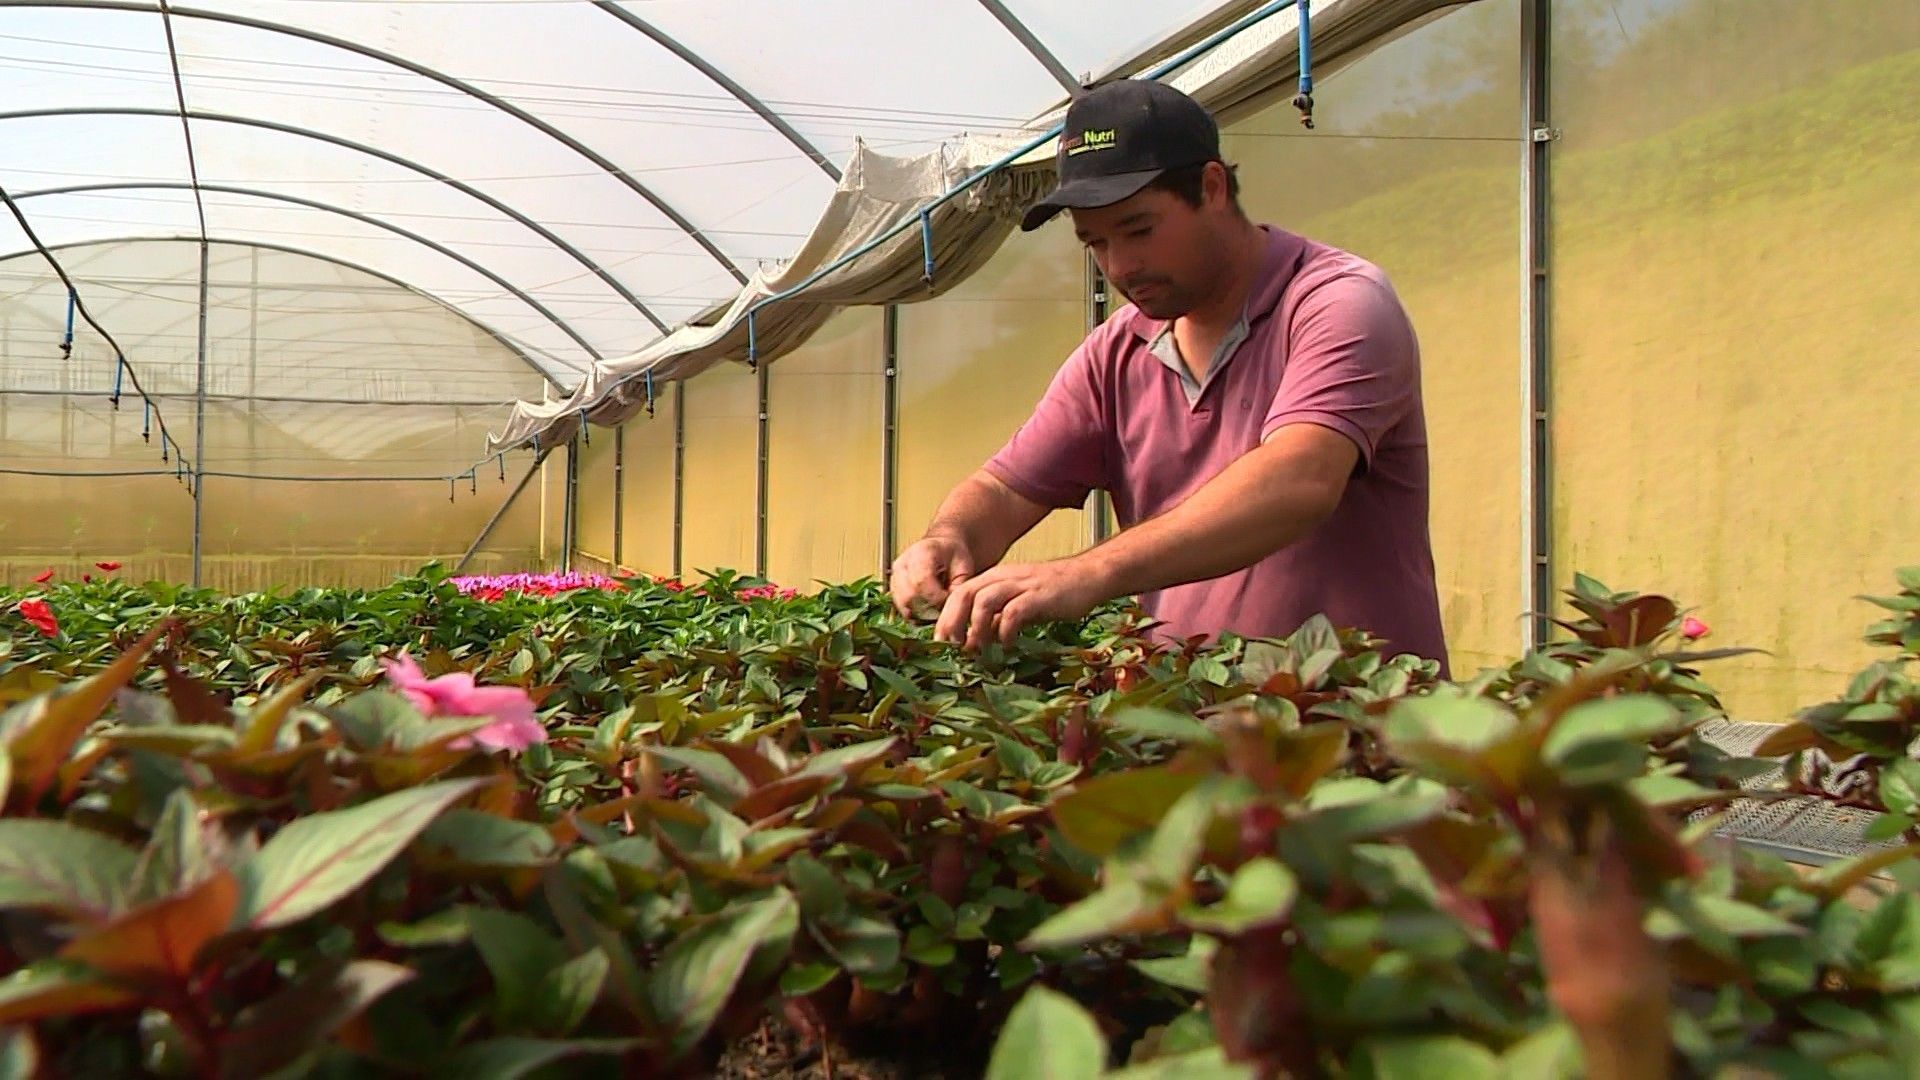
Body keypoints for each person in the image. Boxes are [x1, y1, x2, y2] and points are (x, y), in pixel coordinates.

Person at [888, 79, 1449, 676]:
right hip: (1189, 730)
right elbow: (1003, 489)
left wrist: (1090, 571)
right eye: (1094, 243)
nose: (1120, 266)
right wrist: (950, 538)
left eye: (1139, 229)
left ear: (1211, 188)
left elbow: (1300, 479)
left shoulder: (1334, 303)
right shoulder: (1115, 354)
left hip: (1355, 733)